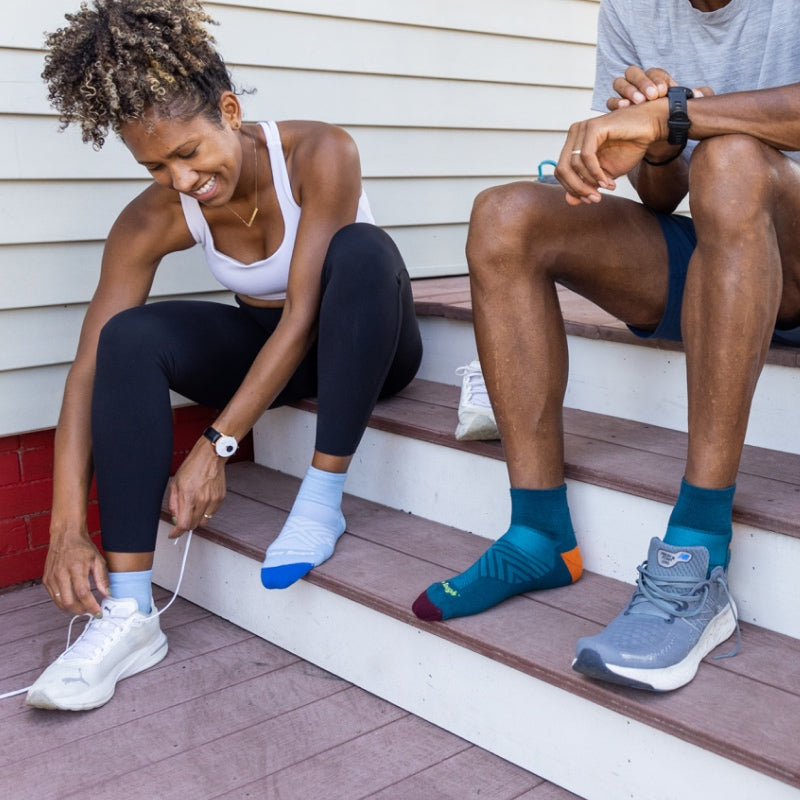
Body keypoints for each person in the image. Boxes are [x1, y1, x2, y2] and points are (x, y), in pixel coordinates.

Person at [26, 0, 422, 711]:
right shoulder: (154, 215)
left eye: (188, 153)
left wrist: (218, 442)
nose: (179, 180)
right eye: (155, 166)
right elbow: (88, 367)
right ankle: (129, 613)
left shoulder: (320, 152)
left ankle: (321, 500)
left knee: (362, 253)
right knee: (125, 338)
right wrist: (63, 529)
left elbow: (305, 311)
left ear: (230, 111)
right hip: (274, 353)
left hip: (367, 344)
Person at [413, 0, 800, 692]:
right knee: (505, 218)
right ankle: (538, 534)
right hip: (728, 260)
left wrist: (673, 116)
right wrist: (657, 149)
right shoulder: (632, 8)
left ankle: (697, 552)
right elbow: (660, 196)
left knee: (733, 160)